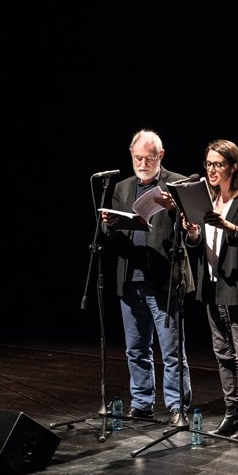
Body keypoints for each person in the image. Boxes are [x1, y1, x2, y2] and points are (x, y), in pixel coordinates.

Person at [100, 129, 192, 426]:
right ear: (131, 155)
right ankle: (142, 403)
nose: (142, 163)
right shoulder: (122, 187)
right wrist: (108, 224)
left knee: (171, 350)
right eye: (137, 158)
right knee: (136, 349)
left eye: (148, 158)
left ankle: (177, 406)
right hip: (130, 279)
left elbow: (192, 229)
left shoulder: (177, 184)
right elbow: (110, 239)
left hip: (164, 281)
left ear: (160, 156)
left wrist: (175, 208)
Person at [183, 139, 238, 440]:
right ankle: (232, 413)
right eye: (208, 164)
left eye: (218, 164)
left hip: (237, 284)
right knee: (222, 352)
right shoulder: (208, 198)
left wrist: (227, 225)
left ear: (233, 166)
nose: (211, 170)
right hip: (212, 283)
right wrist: (194, 233)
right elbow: (199, 244)